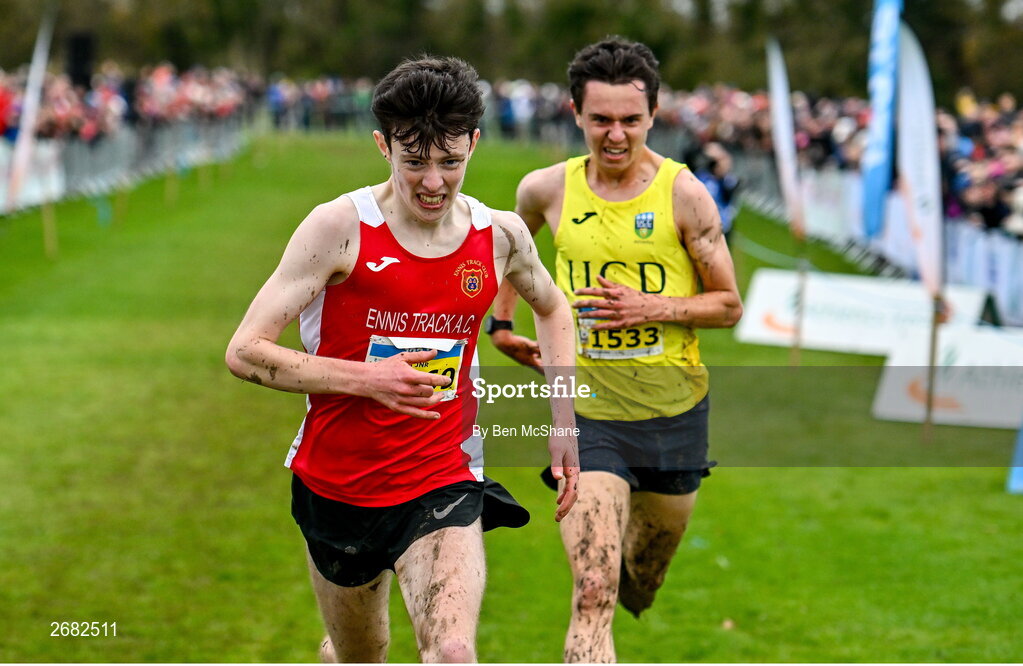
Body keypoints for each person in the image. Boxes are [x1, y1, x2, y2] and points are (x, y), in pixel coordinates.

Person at [225, 56, 579, 663]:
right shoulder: (338, 227)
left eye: (450, 161)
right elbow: (245, 351)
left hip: (442, 476)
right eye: (414, 162)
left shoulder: (499, 237)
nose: (434, 182)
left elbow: (553, 308)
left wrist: (563, 421)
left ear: (473, 143)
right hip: (339, 485)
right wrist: (367, 379)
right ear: (381, 146)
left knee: (451, 651)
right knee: (361, 655)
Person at [488, 38, 742, 662]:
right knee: (594, 589)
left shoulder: (686, 196)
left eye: (630, 120)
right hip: (587, 414)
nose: (616, 135)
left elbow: (729, 305)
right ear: (576, 114)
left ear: (653, 115)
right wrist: (502, 327)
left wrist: (654, 307)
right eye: (601, 119)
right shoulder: (546, 189)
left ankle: (641, 577)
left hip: (674, 416)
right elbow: (508, 256)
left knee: (639, 582)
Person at [693, 141, 740, 246]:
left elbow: (728, 196)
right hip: (703, 225)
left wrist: (721, 177)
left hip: (723, 226)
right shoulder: (702, 177)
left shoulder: (729, 180)